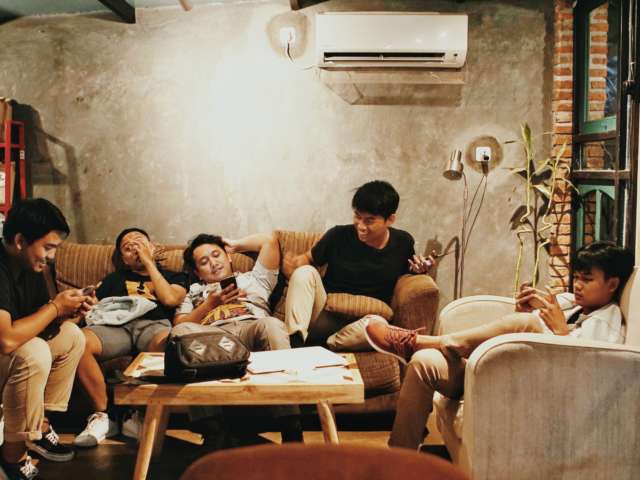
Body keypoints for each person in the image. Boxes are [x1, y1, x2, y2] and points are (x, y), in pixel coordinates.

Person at [364, 241, 635, 450]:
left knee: (527, 323)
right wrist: (522, 310)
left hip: (527, 387)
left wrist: (560, 333)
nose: (578, 285)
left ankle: (428, 342)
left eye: (587, 279)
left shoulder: (607, 320)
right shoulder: (568, 302)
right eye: (577, 277)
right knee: (425, 363)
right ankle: (400, 458)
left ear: (612, 284)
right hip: (496, 371)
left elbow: (589, 376)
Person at [173, 231, 303, 443]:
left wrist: (234, 245)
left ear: (228, 257)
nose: (213, 263)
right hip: (213, 339)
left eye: (217, 255)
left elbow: (269, 240)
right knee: (180, 335)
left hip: (251, 328)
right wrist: (210, 305)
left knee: (272, 325)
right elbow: (179, 326)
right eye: (204, 262)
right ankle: (213, 431)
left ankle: (291, 426)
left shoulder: (253, 279)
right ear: (198, 273)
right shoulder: (194, 292)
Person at [283, 180, 434, 350]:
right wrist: (293, 265)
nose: (361, 226)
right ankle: (295, 343)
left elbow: (410, 271)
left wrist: (419, 270)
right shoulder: (337, 235)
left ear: (390, 219)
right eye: (357, 216)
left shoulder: (402, 243)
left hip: (363, 324)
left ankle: (328, 343)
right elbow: (307, 259)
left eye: (369, 220)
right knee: (305, 272)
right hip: (324, 314)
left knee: (377, 326)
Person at [0, 198, 89, 480]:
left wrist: (69, 312)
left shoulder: (31, 266)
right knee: (34, 352)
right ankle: (11, 457)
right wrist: (55, 307)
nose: (51, 256)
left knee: (71, 336)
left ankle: (38, 426)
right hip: (4, 349)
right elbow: (6, 340)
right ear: (20, 241)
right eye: (48, 247)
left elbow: (37, 323)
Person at [74, 228, 187, 447]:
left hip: (153, 324)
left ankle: (137, 414)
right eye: (128, 247)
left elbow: (170, 299)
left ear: (152, 247)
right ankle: (104, 416)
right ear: (123, 259)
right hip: (116, 325)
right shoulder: (113, 279)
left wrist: (148, 262)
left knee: (168, 345)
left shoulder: (174, 276)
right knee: (78, 341)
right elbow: (95, 307)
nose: (134, 247)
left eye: (139, 242)